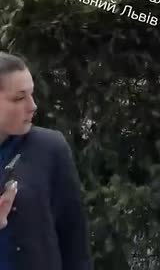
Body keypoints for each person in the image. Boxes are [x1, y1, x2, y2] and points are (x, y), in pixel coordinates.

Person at [0, 51, 93, 270]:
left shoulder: (49, 148)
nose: (32, 106)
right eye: (19, 98)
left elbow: (74, 240)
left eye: (31, 94)